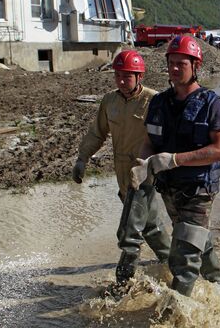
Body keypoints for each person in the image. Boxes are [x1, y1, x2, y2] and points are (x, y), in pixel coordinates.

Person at [130, 35, 220, 297]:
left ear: (195, 65)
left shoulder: (211, 103)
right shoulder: (159, 103)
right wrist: (143, 164)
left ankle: (174, 314)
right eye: (171, 63)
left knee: (184, 259)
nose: (174, 68)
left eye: (181, 63)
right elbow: (148, 142)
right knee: (198, 241)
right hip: (169, 190)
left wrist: (174, 159)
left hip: (198, 190)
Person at [72, 50, 171, 286]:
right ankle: (172, 265)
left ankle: (122, 285)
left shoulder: (153, 100)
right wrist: (82, 158)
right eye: (118, 76)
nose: (121, 81)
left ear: (140, 76)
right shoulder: (110, 101)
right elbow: (98, 132)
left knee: (129, 231)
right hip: (121, 173)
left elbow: (166, 137)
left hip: (145, 173)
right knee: (150, 226)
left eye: (127, 76)